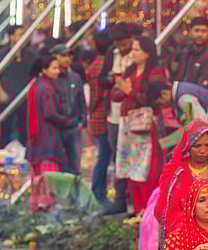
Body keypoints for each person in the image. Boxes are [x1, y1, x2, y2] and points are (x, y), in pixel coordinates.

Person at [155, 120, 208, 236]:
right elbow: (167, 211)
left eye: (207, 145)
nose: (203, 151)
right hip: (185, 235)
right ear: (188, 146)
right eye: (197, 146)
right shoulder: (177, 171)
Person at [114, 35, 170, 212]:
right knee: (131, 169)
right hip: (128, 125)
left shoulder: (155, 73)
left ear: (147, 53)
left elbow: (152, 100)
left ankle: (150, 208)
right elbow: (115, 96)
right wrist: (120, 89)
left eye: (136, 50)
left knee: (146, 169)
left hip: (146, 127)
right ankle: (137, 208)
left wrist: (130, 91)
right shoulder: (130, 70)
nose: (132, 53)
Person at [27, 55, 74, 212]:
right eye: (54, 68)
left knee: (37, 172)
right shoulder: (47, 88)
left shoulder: (36, 85)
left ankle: (35, 201)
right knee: (48, 171)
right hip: (47, 135)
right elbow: (50, 114)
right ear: (44, 70)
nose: (57, 71)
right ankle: (45, 202)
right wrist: (67, 120)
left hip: (36, 135)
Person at [86, 31, 116, 205]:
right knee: (104, 155)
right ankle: (98, 193)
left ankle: (99, 191)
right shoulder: (101, 66)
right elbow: (97, 94)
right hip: (101, 116)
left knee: (104, 155)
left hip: (99, 116)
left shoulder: (96, 64)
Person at [53, 44, 87, 176]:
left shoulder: (75, 78)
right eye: (63, 56)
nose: (67, 59)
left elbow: (81, 101)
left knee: (75, 167)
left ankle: (73, 195)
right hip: (57, 128)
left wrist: (82, 121)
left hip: (74, 127)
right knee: (59, 166)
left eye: (68, 56)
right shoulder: (51, 79)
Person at [169, 16, 208, 91]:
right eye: (197, 30)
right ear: (190, 31)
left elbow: (205, 88)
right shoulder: (186, 52)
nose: (200, 34)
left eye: (204, 31)